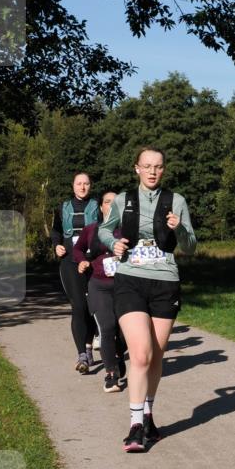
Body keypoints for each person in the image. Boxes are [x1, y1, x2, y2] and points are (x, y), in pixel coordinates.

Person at [98, 147, 197, 452]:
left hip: (165, 282)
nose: (153, 171)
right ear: (137, 168)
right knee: (140, 355)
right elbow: (104, 230)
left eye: (158, 166)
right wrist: (113, 243)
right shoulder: (123, 199)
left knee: (155, 355)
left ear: (163, 169)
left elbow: (190, 246)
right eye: (147, 166)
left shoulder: (176, 201)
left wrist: (179, 228)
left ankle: (149, 416)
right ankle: (135, 425)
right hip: (130, 280)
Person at [73, 191, 128, 393]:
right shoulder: (91, 229)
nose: (111, 206)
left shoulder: (129, 229)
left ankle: (119, 355)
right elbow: (77, 249)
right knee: (106, 327)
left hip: (126, 287)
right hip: (98, 285)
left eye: (116, 202)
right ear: (101, 207)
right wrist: (82, 261)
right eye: (107, 202)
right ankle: (111, 375)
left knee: (123, 333)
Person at [51, 172, 100, 373]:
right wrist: (56, 245)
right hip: (70, 262)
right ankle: (82, 355)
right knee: (79, 306)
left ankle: (88, 347)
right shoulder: (63, 207)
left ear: (90, 186)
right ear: (73, 186)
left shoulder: (98, 206)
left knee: (91, 307)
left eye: (86, 183)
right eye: (79, 183)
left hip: (93, 262)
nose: (82, 187)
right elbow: (56, 230)